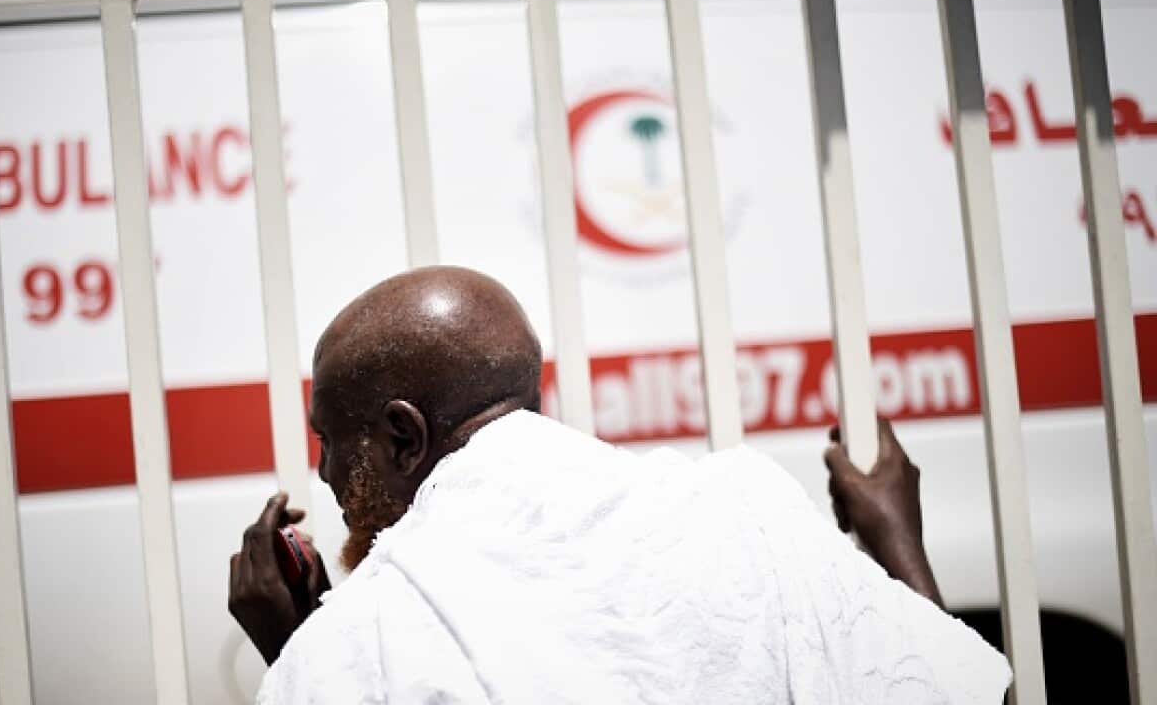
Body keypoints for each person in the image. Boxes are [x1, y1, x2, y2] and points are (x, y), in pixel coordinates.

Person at [229, 266, 1009, 703]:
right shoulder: (745, 509)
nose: (325, 471)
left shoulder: (360, 639)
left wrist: (301, 657)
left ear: (406, 438)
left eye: (332, 440)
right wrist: (897, 544)